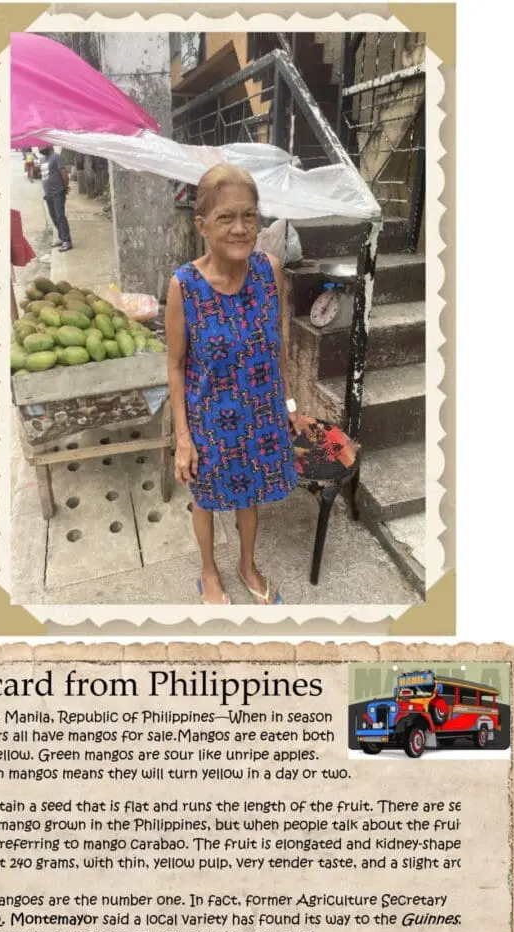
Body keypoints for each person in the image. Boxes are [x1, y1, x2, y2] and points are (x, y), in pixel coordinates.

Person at [166, 164, 302, 606]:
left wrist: (288, 401)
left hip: (261, 413)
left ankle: (247, 564)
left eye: (249, 216)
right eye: (225, 217)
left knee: (252, 495)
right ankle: (208, 571)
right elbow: (175, 365)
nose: (241, 228)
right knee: (205, 498)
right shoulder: (183, 285)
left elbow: (277, 343)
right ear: (201, 224)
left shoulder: (270, 271)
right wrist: (183, 439)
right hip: (210, 417)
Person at [39, 145, 73, 252]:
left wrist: (65, 187)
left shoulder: (56, 157)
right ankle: (61, 237)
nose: (40, 149)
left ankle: (67, 241)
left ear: (48, 146)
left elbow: (64, 173)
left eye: (41, 146)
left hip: (58, 192)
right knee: (53, 216)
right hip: (48, 194)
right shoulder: (42, 159)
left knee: (60, 216)